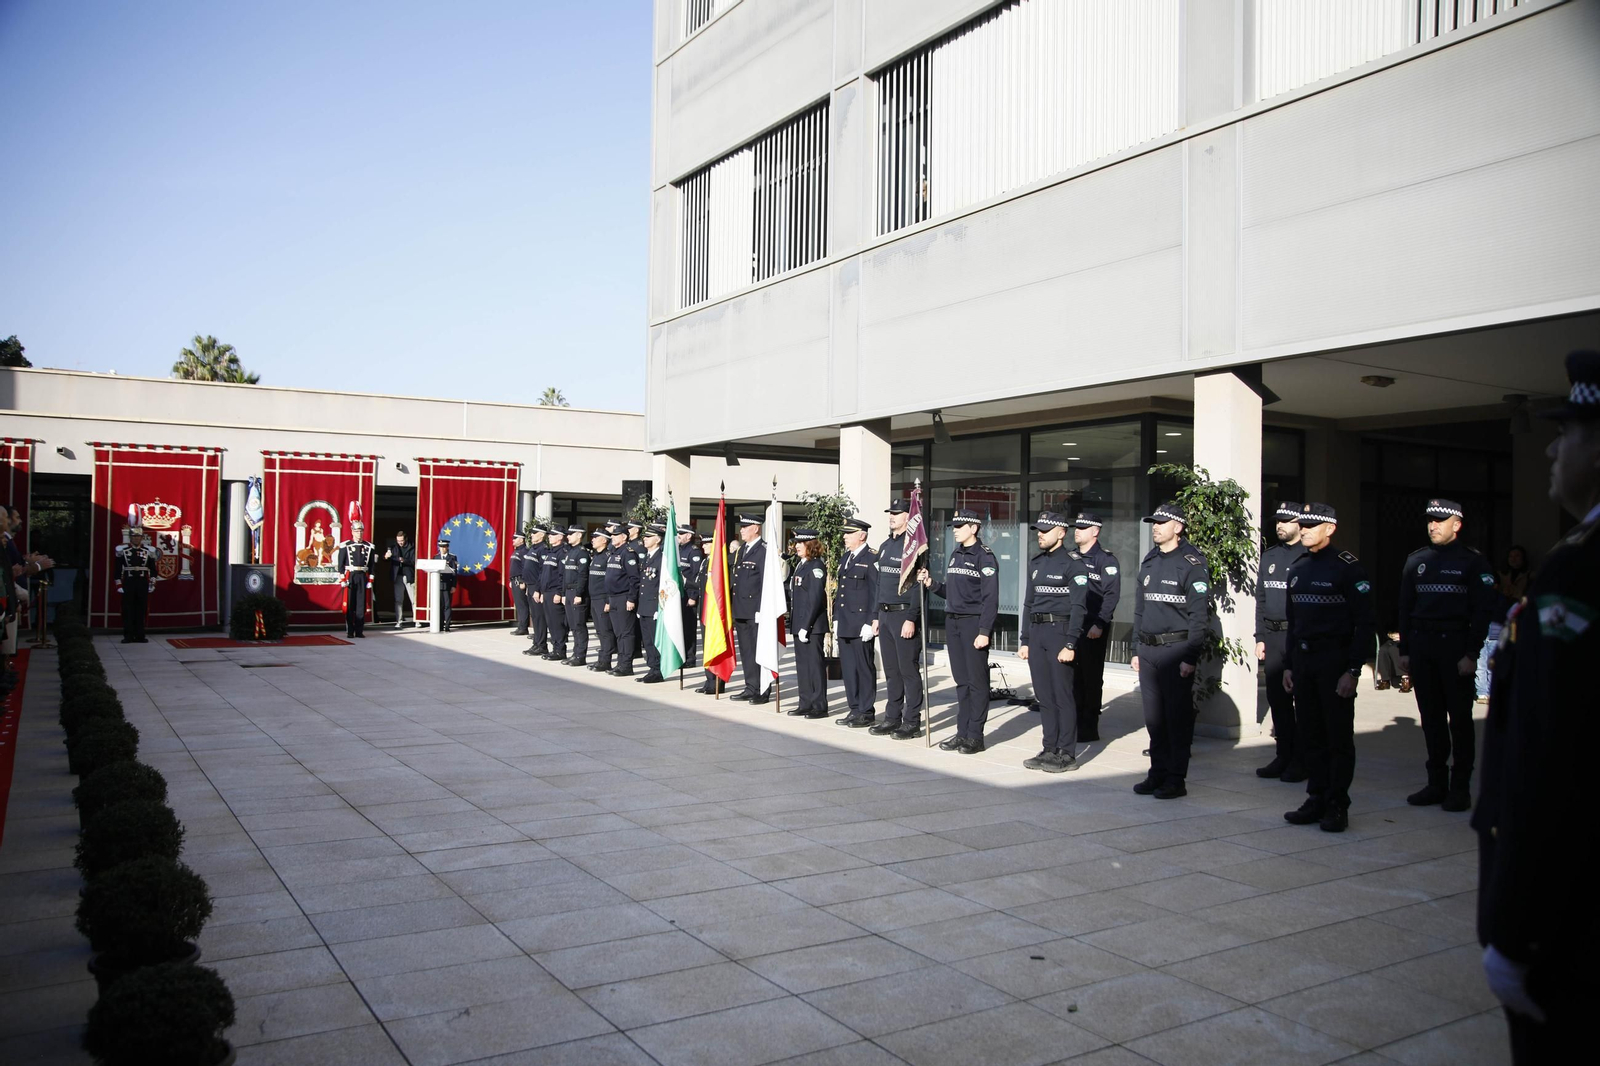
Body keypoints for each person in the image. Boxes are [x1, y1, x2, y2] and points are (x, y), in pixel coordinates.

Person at [1474, 350, 1596, 1061]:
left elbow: (1554, 763)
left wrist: (1518, 935)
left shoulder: (1578, 570)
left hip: (1569, 925)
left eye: (1572, 430)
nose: (1552, 446)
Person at [1397, 498, 1496, 812]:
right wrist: (1405, 651)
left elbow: (1483, 611)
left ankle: (1460, 788)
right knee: (1432, 719)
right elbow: (1405, 608)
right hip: (1423, 646)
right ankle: (1436, 783)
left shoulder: (1472, 562)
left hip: (1455, 648)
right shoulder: (1416, 561)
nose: (1433, 525)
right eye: (1430, 520)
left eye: (1440, 520)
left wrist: (1471, 653)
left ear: (1457, 524)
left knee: (1461, 721)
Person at [1282, 503, 1373, 833]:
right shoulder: (1298, 568)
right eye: (1301, 525)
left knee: (1337, 737)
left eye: (1311, 525)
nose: (1303, 529)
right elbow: (1293, 623)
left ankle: (1337, 805)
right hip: (1304, 663)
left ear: (1329, 529)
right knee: (1310, 735)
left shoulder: (1347, 569)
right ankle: (1316, 797)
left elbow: (1364, 625)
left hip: (1334, 662)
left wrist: (1353, 670)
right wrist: (1290, 665)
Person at [1131, 502, 1211, 799]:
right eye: (1154, 522)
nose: (1156, 527)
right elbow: (1139, 609)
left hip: (1175, 651)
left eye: (1162, 523)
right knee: (1154, 720)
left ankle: (1176, 779)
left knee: (1175, 719)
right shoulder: (1150, 561)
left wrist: (1190, 656)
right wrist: (1135, 647)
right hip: (1148, 651)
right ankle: (1157, 773)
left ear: (1178, 527)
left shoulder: (1191, 564)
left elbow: (1199, 618)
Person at [920, 509, 999, 753]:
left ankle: (975, 735)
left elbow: (990, 598)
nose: (954, 529)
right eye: (954, 525)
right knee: (961, 682)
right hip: (952, 622)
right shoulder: (955, 554)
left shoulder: (984, 557)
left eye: (960, 525)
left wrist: (984, 631)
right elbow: (952, 592)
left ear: (973, 528)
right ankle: (962, 731)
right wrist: (932, 584)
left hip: (973, 624)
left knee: (976, 683)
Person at [1016, 511, 1088, 771]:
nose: (1040, 534)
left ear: (1061, 533)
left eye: (1046, 530)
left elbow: (1080, 607)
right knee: (1043, 696)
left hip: (1060, 630)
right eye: (1038, 530)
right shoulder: (1036, 563)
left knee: (1062, 695)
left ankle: (1066, 753)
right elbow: (1028, 603)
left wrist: (1071, 643)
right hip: (1037, 633)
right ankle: (1049, 748)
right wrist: (1024, 639)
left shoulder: (1074, 563)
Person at [1255, 502, 1310, 780]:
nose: (1280, 525)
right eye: (1278, 521)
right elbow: (1261, 600)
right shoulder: (1270, 556)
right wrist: (1260, 636)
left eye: (1287, 521)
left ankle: (1302, 759)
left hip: (1297, 636)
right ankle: (1283, 755)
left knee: (1301, 699)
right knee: (1277, 700)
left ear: (1300, 524)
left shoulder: (1308, 557)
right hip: (1273, 636)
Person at [870, 499, 925, 739]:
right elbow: (879, 583)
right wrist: (875, 616)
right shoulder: (884, 545)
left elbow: (917, 587)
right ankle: (892, 717)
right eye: (890, 513)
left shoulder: (914, 547)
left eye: (897, 513)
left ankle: (911, 721)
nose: (892, 516)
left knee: (907, 671)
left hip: (904, 615)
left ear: (908, 517)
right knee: (891, 672)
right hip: (885, 614)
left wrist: (912, 618)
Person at [1070, 511, 1121, 742]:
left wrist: (1100, 623)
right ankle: (1072, 721)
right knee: (1071, 676)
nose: (1077, 531)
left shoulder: (1105, 560)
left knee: (1090, 677)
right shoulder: (1070, 557)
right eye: (1076, 527)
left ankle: (1089, 727)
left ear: (1095, 531)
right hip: (1071, 625)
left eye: (1082, 528)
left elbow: (1111, 595)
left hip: (1092, 626)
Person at [833, 517, 879, 728]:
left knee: (864, 668)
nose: (844, 537)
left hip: (861, 624)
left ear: (861, 535)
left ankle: (866, 711)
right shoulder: (846, 558)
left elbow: (876, 592)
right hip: (845, 622)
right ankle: (854, 708)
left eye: (849, 533)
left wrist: (871, 621)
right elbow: (840, 592)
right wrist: (835, 619)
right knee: (849, 669)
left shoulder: (872, 559)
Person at [787, 529, 830, 719]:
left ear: (810, 545)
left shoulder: (816, 566)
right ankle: (805, 702)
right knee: (803, 666)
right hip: (800, 624)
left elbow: (814, 598)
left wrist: (806, 625)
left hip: (812, 626)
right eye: (796, 543)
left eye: (800, 543)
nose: (796, 546)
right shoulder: (801, 565)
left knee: (814, 666)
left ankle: (819, 705)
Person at [729, 514, 769, 704]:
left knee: (759, 651)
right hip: (741, 609)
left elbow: (766, 583)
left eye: (745, 526)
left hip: (756, 611)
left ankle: (762, 689)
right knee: (746, 650)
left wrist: (763, 609)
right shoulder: (741, 550)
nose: (741, 530)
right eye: (741, 527)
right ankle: (750, 686)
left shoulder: (764, 551)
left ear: (756, 528)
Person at [114, 512, 161, 643]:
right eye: (134, 537)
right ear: (130, 538)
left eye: (138, 537)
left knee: (141, 609)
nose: (136, 539)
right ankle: (128, 635)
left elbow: (153, 570)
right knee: (128, 609)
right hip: (128, 581)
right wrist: (118, 584)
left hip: (142, 582)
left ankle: (140, 634)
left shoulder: (148, 551)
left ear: (142, 538)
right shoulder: (122, 551)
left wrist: (152, 583)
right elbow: (117, 569)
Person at [603, 522, 640, 675]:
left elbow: (634, 579)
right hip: (613, 597)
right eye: (612, 535)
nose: (612, 538)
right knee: (618, 632)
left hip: (624, 597)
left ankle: (626, 665)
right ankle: (620, 663)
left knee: (626, 633)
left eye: (615, 535)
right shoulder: (614, 552)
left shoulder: (628, 553)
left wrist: (631, 598)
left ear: (624, 537)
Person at [694, 529, 727, 695]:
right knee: (707, 647)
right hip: (704, 610)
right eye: (703, 543)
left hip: (714, 611)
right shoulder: (705, 561)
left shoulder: (717, 563)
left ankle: (717, 682)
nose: (704, 546)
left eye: (707, 543)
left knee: (715, 645)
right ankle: (709, 681)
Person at [336, 505, 376, 638]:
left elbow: (371, 566)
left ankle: (359, 630)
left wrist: (370, 579)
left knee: (361, 605)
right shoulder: (345, 546)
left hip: (362, 576)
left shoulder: (369, 547)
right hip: (350, 576)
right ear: (352, 532)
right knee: (349, 605)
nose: (359, 534)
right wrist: (342, 579)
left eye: (361, 531)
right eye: (356, 531)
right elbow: (340, 564)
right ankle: (350, 630)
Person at [636, 524, 666, 683]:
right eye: (645, 537)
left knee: (655, 640)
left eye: (648, 537)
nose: (645, 539)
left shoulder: (661, 559)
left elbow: (663, 585)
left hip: (654, 606)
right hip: (644, 605)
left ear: (658, 539)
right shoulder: (647, 557)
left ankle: (657, 670)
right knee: (647, 640)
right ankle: (652, 668)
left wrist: (658, 607)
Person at [560, 525, 591, 666]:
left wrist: (579, 593)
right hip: (569, 591)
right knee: (572, 625)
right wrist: (564, 593)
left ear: (579, 535)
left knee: (579, 625)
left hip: (577, 593)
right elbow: (565, 575)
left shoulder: (582, 553)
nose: (568, 536)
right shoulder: (570, 552)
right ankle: (575, 653)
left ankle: (580, 656)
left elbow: (583, 576)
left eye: (571, 534)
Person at [586, 525, 615, 672]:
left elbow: (610, 581)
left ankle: (606, 661)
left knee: (605, 631)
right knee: (599, 631)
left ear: (604, 540)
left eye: (595, 537)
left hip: (603, 598)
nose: (592, 540)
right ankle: (601, 658)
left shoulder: (608, 557)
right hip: (594, 598)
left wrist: (609, 601)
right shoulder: (595, 555)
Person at [542, 524, 570, 661]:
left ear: (560, 537)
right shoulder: (550, 552)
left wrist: (559, 592)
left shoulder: (562, 552)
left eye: (552, 535)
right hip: (547, 592)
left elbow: (562, 575)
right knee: (551, 622)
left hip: (555, 592)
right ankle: (555, 648)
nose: (549, 537)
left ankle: (560, 650)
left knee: (558, 623)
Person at [678, 524, 704, 671]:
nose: (679, 536)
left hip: (689, 594)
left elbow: (695, 576)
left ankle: (690, 657)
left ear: (689, 535)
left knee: (688, 627)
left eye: (682, 534)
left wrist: (693, 596)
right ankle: (681, 655)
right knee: (680, 627)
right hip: (679, 594)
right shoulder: (679, 549)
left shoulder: (694, 552)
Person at [525, 525, 549, 655]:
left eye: (535, 533)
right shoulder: (533, 548)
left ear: (542, 535)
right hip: (530, 586)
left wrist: (538, 590)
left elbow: (542, 572)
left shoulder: (543, 549)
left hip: (536, 586)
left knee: (539, 617)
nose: (532, 535)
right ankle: (536, 643)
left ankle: (541, 645)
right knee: (534, 616)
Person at [387, 529, 417, 630]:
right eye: (398, 541)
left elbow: (414, 561)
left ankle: (417, 620)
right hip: (397, 576)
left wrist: (404, 560)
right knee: (398, 600)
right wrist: (386, 556)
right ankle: (398, 621)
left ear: (406, 539)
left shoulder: (412, 547)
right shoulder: (393, 547)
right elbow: (386, 558)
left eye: (402, 541)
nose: (400, 543)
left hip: (409, 575)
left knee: (413, 599)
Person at [433, 535, 458, 632]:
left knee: (447, 605)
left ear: (447, 547)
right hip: (437, 584)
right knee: (439, 605)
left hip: (447, 584)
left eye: (444, 547)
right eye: (441, 547)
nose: (442, 549)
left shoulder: (452, 557)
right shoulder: (436, 557)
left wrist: (453, 585)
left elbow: (454, 573)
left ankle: (447, 625)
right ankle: (439, 625)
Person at [508, 531, 530, 635]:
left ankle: (523, 627)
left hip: (520, 580)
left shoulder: (524, 551)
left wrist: (522, 581)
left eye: (515, 538)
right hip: (514, 580)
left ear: (521, 540)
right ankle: (521, 625)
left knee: (522, 605)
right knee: (519, 604)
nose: (513, 540)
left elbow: (525, 568)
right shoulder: (517, 551)